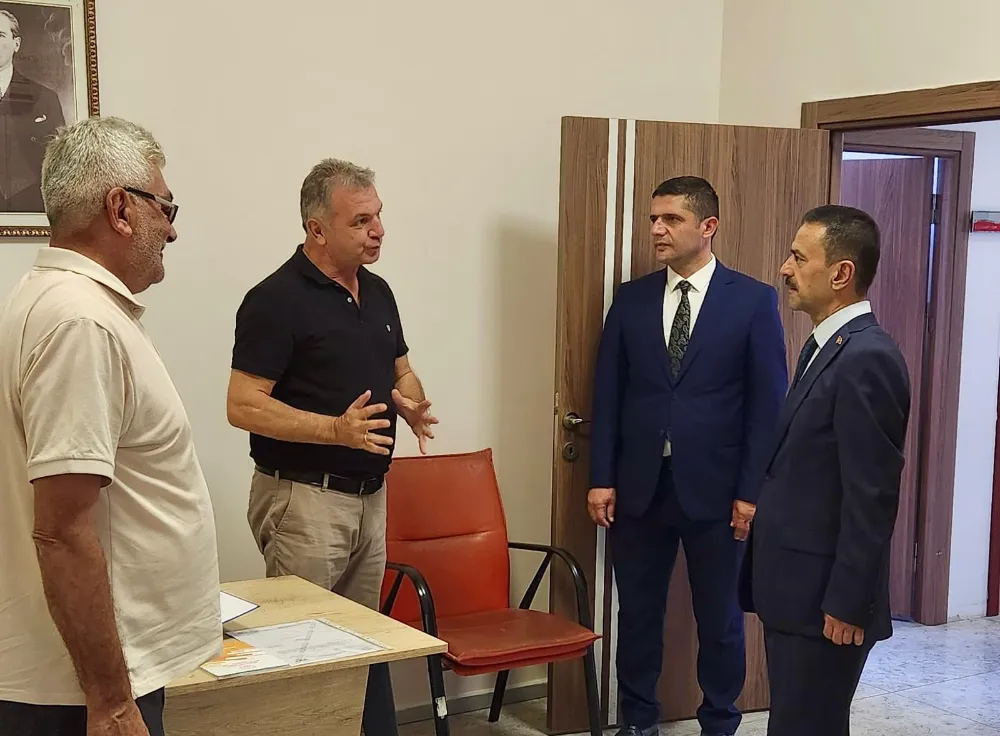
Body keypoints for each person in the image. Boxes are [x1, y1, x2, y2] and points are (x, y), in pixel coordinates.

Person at [0, 116, 220, 736]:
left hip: (89, 674)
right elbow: (62, 530)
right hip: (86, 689)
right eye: (165, 207)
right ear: (120, 209)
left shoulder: (55, 301)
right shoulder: (80, 323)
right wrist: (112, 702)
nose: (172, 229)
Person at [226, 158, 437, 736]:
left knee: (357, 645)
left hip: (370, 496)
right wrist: (334, 430)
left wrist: (410, 401)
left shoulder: (378, 291)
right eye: (361, 220)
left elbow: (401, 369)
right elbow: (242, 405)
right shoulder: (275, 299)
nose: (379, 230)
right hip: (305, 500)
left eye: (378, 216)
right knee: (300, 652)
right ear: (317, 229)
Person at [589, 176, 788, 736]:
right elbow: (607, 395)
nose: (657, 229)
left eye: (671, 219)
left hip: (718, 492)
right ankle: (637, 720)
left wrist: (751, 491)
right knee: (638, 614)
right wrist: (601, 477)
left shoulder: (752, 300)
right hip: (640, 487)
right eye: (654, 219)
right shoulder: (631, 299)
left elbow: (767, 407)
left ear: (708, 226)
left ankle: (719, 721)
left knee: (719, 618)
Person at [742, 205, 911, 736]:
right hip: (796, 592)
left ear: (841, 273)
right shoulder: (826, 347)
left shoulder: (866, 358)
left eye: (798, 257)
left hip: (826, 604)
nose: (784, 269)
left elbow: (871, 494)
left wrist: (848, 601)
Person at [0, 8, 66, 212]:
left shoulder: (45, 98)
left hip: (31, 206)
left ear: (16, 44)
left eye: (0, 35)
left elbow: (60, 162)